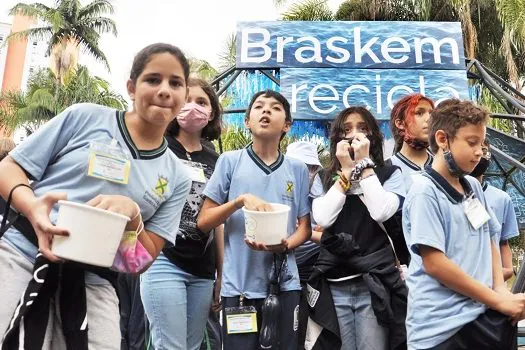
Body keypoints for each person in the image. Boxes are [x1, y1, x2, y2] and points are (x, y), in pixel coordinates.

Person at [0, 43, 192, 349]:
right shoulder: (85, 117)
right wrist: (32, 206)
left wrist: (133, 218)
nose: (165, 90)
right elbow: (8, 168)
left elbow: (140, 262)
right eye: (153, 79)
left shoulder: (177, 176)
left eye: (175, 83)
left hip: (94, 280)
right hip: (21, 253)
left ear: (184, 95)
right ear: (131, 87)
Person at [403, 99, 524, 350]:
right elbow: (435, 263)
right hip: (441, 329)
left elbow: (489, 236)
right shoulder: (424, 191)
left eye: (481, 143)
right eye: (471, 143)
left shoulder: (473, 187)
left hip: (481, 318)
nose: (479, 151)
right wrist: (498, 300)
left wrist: (501, 290)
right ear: (442, 139)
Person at [197, 90, 312, 350]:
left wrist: (285, 244)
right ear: (247, 121)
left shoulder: (298, 169)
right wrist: (239, 201)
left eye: (275, 108)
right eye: (259, 106)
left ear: (287, 124)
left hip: (285, 286)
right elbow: (204, 220)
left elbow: (304, 228)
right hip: (239, 289)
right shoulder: (229, 161)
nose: (266, 111)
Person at [307, 106, 408, 350]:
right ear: (336, 139)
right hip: (334, 283)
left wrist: (364, 165)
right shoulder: (324, 177)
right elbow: (322, 218)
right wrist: (345, 174)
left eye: (363, 129)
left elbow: (382, 210)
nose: (354, 135)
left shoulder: (390, 173)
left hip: (374, 284)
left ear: (373, 135)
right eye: (347, 129)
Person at [140, 77, 224, 350]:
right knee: (169, 346)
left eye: (201, 102)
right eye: (187, 100)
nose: (193, 107)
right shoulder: (157, 147)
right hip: (163, 258)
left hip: (202, 268)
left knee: (192, 345)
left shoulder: (217, 160)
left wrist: (220, 273)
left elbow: (218, 221)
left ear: (211, 112)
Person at [285, 140, 323, 348]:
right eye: (300, 166)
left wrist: (303, 232)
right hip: (282, 265)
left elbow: (327, 232)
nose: (306, 171)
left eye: (311, 167)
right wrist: (310, 233)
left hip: (312, 269)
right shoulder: (280, 187)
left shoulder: (321, 194)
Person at [470, 140, 520, 281]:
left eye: (484, 150)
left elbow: (501, 240)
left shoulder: (501, 198)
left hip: (492, 276)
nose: (479, 153)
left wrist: (507, 270)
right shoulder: (450, 193)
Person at [389, 94, 435, 188]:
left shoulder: (446, 167)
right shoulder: (387, 168)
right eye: (419, 113)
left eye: (431, 113)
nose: (429, 119)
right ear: (400, 123)